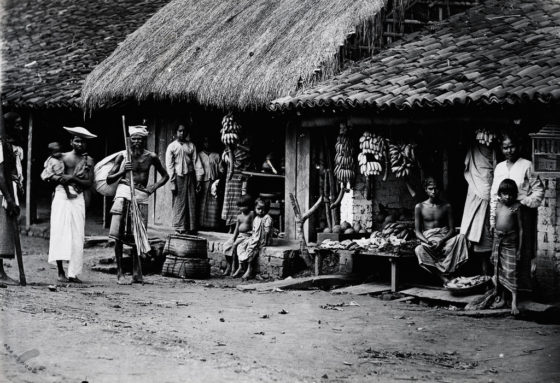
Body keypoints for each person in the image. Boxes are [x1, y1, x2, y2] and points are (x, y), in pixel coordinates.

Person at [107, 125, 169, 285]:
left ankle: (137, 273)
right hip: (123, 194)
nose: (136, 142)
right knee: (118, 236)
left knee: (138, 235)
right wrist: (122, 171)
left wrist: (152, 187)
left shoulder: (151, 157)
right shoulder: (122, 156)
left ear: (144, 140)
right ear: (130, 139)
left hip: (141, 196)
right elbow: (109, 179)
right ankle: (120, 273)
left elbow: (165, 176)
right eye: (134, 139)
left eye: (140, 139)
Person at [490, 132, 543, 294]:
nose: (509, 150)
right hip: (502, 216)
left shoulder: (527, 165)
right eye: (505, 147)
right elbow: (494, 195)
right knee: (501, 255)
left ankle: (522, 292)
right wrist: (493, 220)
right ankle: (502, 293)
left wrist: (523, 202)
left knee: (522, 252)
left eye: (511, 146)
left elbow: (538, 191)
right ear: (501, 149)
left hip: (521, 215)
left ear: (518, 146)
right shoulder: (499, 167)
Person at [47, 127, 96, 283]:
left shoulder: (88, 161)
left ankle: (73, 273)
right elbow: (48, 175)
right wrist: (59, 179)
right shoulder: (62, 157)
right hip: (61, 195)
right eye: (76, 140)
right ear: (71, 142)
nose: (79, 144)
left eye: (82, 141)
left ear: (86, 144)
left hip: (78, 196)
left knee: (77, 234)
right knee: (59, 231)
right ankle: (60, 270)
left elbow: (89, 182)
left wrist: (72, 179)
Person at [414, 177, 469, 283]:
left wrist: (441, 241)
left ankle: (451, 273)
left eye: (436, 188)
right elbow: (417, 232)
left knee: (461, 237)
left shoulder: (446, 206)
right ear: (425, 189)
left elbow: (452, 230)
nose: (434, 191)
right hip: (428, 242)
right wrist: (427, 241)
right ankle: (443, 277)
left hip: (444, 240)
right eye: (430, 188)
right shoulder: (419, 207)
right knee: (418, 250)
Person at [460, 138, 496, 275]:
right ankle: (484, 275)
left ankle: (491, 277)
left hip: (489, 201)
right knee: (480, 245)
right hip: (477, 193)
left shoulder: (493, 152)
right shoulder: (474, 149)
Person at [492, 179, 523, 315]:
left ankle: (514, 302)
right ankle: (503, 298)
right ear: (500, 194)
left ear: (514, 194)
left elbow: (521, 229)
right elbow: (494, 227)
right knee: (499, 271)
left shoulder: (517, 207)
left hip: (511, 242)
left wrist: (520, 250)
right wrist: (493, 248)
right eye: (504, 194)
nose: (507, 197)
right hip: (498, 242)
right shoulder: (498, 205)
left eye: (510, 194)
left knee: (511, 271)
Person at [165, 124, 204, 234]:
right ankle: (179, 227)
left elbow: (196, 162)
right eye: (180, 131)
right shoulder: (172, 146)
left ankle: (190, 227)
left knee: (191, 201)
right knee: (180, 202)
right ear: (176, 132)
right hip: (178, 177)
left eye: (184, 131)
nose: (182, 133)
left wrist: (199, 180)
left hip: (190, 176)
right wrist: (172, 181)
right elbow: (170, 165)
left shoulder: (191, 145)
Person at [233, 198, 273, 280]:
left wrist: (263, 241)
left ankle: (249, 269)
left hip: (262, 240)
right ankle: (241, 266)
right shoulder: (256, 218)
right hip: (255, 238)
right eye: (258, 209)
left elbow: (267, 232)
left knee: (252, 249)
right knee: (241, 245)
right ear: (255, 209)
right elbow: (254, 230)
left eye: (263, 209)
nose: (261, 211)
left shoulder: (267, 218)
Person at [0, 131, 21, 285]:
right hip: (2, 194)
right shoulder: (0, 145)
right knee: (2, 233)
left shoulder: (9, 147)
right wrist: (8, 198)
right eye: (17, 124)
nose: (20, 128)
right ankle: (0, 273)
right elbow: (0, 175)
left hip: (5, 191)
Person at [220, 136, 252, 232]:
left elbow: (245, 165)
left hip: (239, 179)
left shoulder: (243, 151)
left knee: (238, 203)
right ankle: (230, 226)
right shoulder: (228, 151)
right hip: (230, 179)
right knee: (229, 202)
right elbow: (226, 162)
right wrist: (228, 154)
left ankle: (237, 228)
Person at [222, 194, 254, 276]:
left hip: (247, 235)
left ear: (249, 205)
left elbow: (254, 226)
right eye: (240, 206)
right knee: (226, 245)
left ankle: (234, 268)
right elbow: (236, 229)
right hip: (239, 235)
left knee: (235, 246)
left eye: (244, 206)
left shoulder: (251, 214)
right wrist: (233, 238)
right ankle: (229, 265)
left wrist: (252, 236)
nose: (242, 208)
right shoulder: (239, 216)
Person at [197, 136, 222, 229]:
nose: (207, 144)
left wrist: (218, 181)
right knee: (202, 204)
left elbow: (221, 170)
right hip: (203, 182)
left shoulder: (216, 155)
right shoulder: (199, 155)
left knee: (214, 206)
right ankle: (202, 225)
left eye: (209, 142)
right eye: (205, 142)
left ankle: (213, 226)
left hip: (214, 182)